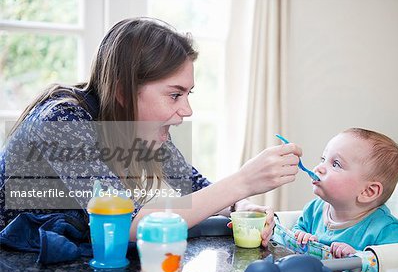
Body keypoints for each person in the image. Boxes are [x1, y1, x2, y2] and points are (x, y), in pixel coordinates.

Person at [0, 17, 302, 248]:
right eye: (174, 95)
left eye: (188, 95)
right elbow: (127, 223)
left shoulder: (141, 126)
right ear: (123, 91)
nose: (187, 110)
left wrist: (242, 206)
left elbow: (194, 187)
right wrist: (243, 181)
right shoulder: (62, 122)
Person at [292, 128, 398, 258]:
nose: (318, 168)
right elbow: (297, 229)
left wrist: (357, 256)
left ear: (368, 192)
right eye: (323, 159)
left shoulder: (389, 231)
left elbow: (392, 268)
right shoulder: (314, 209)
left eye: (336, 164)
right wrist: (301, 236)